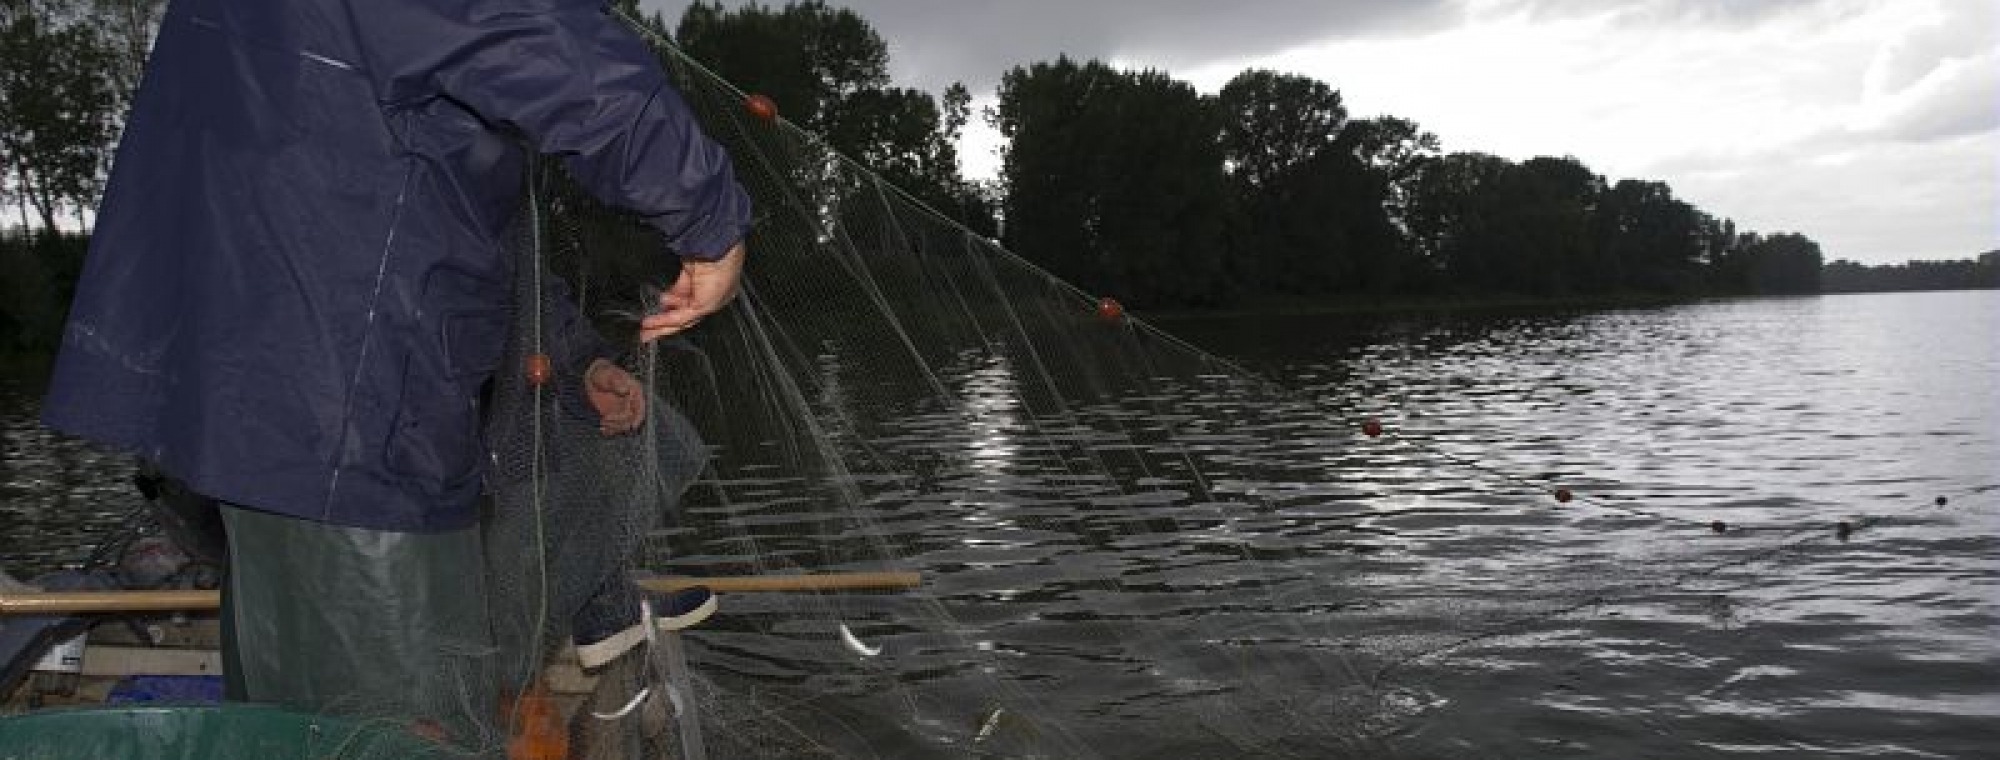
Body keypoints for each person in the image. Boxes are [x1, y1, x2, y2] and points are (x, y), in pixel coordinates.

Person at [39, 0, 750, 749]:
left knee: (292, 732)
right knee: (400, 734)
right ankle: (594, 618)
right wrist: (707, 212)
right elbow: (529, 33)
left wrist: (576, 359)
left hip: (256, 417)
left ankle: (597, 612)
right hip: (346, 426)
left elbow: (415, 182)